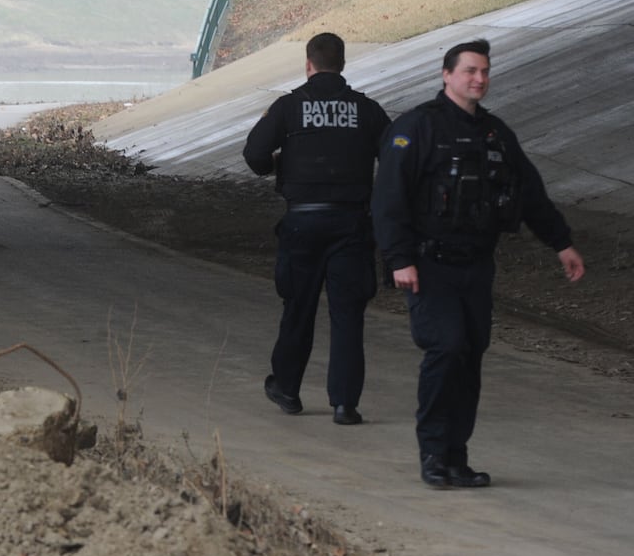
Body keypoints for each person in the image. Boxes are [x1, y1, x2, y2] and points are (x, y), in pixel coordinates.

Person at [373, 39, 585, 489]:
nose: (480, 79)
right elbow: (388, 198)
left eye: (485, 71)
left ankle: (456, 457)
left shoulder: (496, 134)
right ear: (446, 74)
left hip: (476, 266)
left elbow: (529, 193)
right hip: (428, 265)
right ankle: (432, 453)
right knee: (446, 348)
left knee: (469, 357)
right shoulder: (415, 128)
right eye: (470, 70)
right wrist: (399, 259)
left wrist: (561, 243)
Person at [242, 32, 391, 425]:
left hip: (302, 223)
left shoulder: (289, 107)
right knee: (347, 316)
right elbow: (395, 158)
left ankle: (288, 390)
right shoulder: (366, 110)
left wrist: (278, 165)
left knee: (298, 308)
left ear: (308, 65)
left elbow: (254, 153)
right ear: (342, 64)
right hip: (352, 225)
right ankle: (344, 404)